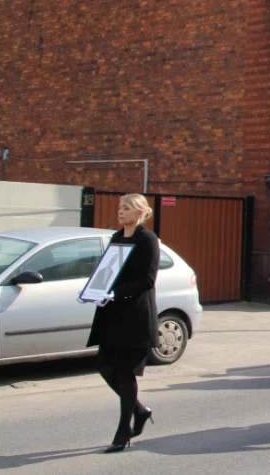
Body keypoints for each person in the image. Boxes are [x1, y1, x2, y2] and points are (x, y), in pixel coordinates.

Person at [87, 193, 160, 452]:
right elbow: (107, 271)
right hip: (112, 315)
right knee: (105, 367)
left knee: (125, 372)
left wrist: (117, 292)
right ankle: (140, 411)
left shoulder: (148, 240)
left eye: (126, 208)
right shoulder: (116, 238)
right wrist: (94, 290)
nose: (120, 212)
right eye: (120, 207)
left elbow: (148, 280)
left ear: (139, 213)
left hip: (136, 317)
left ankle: (122, 432)